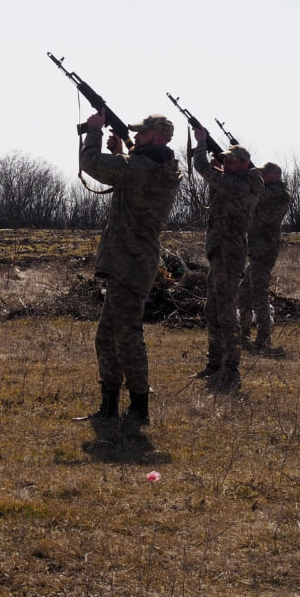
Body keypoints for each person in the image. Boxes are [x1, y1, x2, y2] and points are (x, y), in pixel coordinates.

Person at [78, 111, 181, 428]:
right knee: (106, 337)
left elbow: (91, 165)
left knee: (126, 337)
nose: (135, 137)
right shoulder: (153, 166)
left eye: (142, 133)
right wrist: (120, 156)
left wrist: (93, 133)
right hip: (129, 259)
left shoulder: (143, 166)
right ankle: (109, 406)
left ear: (159, 135)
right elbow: (130, 181)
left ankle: (138, 408)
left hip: (131, 261)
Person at [189, 130, 263, 392]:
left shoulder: (242, 184)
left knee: (226, 312)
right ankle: (214, 363)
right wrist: (219, 170)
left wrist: (200, 142)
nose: (227, 164)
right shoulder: (233, 181)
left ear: (244, 163)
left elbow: (199, 167)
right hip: (219, 253)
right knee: (213, 310)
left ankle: (230, 368)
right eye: (226, 161)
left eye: (232, 161)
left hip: (230, 256)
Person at [239, 162, 291, 353]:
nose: (261, 176)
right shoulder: (266, 189)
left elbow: (259, 195)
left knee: (259, 293)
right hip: (255, 249)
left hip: (266, 249)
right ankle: (243, 336)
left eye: (264, 173)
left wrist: (250, 175)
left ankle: (263, 339)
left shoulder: (280, 192)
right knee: (243, 293)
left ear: (276, 174)